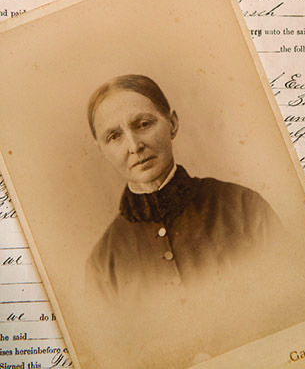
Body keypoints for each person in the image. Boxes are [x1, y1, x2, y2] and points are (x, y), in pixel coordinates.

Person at [86, 74, 282, 303]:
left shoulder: (243, 207)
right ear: (102, 150)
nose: (134, 146)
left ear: (173, 124)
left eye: (143, 124)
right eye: (114, 136)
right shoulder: (103, 265)